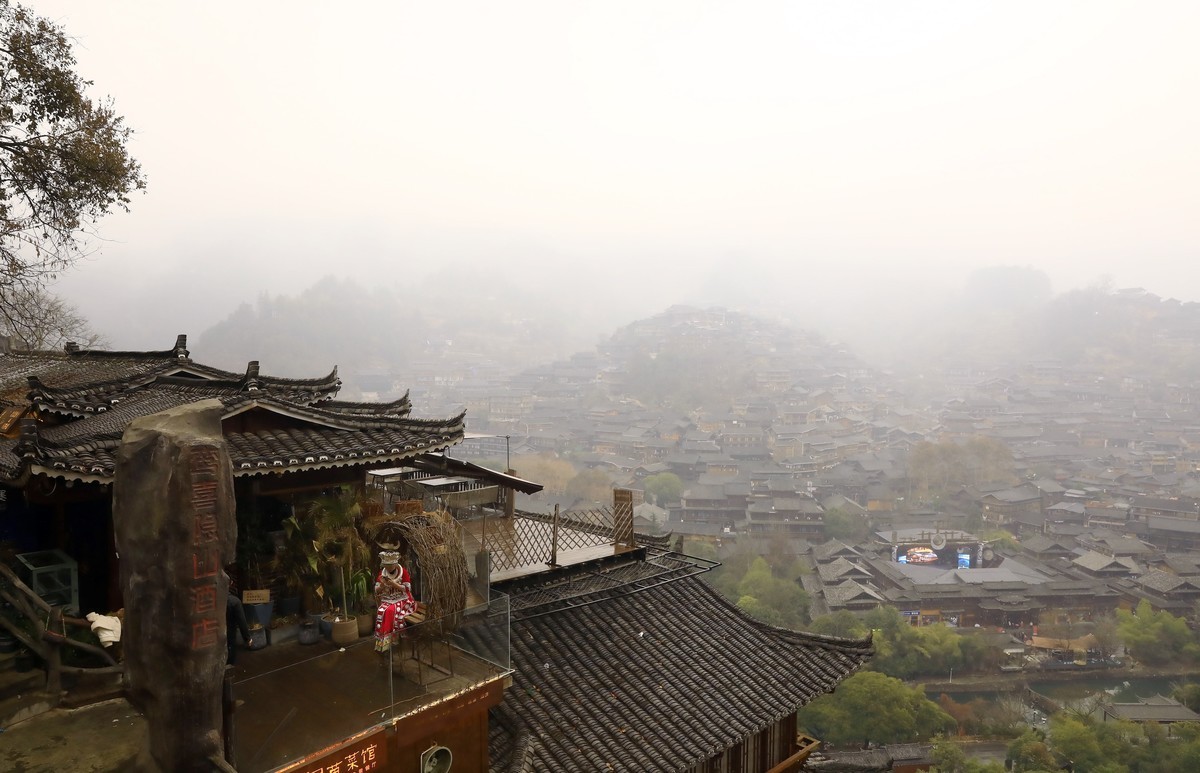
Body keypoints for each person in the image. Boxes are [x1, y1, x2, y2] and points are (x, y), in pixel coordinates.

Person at [373, 550, 416, 653]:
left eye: (390, 565)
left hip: (403, 599)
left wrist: (394, 584)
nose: (388, 568)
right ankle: (383, 641)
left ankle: (393, 637)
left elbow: (406, 589)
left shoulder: (403, 572)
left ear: (395, 564)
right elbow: (377, 590)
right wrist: (382, 585)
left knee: (391, 611)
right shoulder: (382, 573)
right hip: (387, 599)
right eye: (386, 565)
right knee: (381, 610)